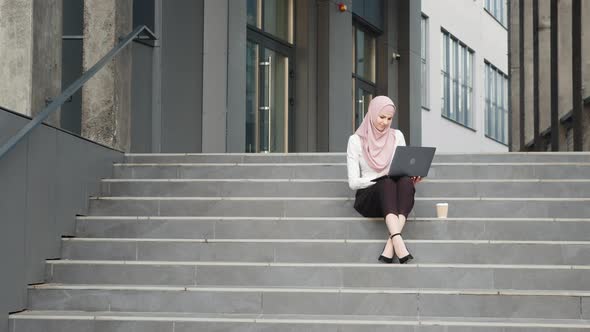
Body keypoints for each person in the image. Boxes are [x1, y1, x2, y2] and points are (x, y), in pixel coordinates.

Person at [346, 95, 421, 264]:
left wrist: (412, 174)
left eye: (389, 118)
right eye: (381, 117)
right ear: (372, 114)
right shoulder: (356, 141)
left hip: (393, 196)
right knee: (386, 182)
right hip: (369, 198)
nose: (385, 122)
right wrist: (380, 176)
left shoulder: (397, 136)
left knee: (405, 181)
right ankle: (397, 238)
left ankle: (392, 243)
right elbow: (353, 182)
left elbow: (401, 167)